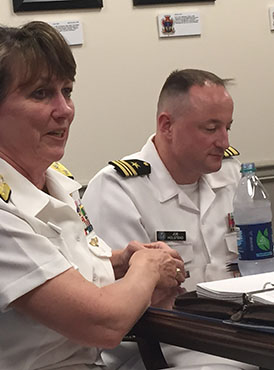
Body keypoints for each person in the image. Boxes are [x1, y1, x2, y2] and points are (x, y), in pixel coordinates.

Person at [0, 22, 187, 370]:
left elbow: (64, 272)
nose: (65, 109)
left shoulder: (54, 181)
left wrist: (120, 262)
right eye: (41, 94)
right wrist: (148, 268)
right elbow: (101, 322)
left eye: (66, 91)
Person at [82, 69, 256, 369]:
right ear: (167, 126)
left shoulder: (231, 174)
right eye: (211, 128)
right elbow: (113, 301)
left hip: (238, 334)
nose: (223, 141)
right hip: (157, 346)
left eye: (228, 127)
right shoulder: (119, 188)